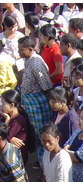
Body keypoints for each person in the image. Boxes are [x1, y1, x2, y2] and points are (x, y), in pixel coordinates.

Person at [18, 36, 54, 167]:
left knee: (43, 135)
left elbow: (47, 86)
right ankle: (41, 162)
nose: (19, 53)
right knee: (38, 135)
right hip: (31, 106)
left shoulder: (36, 63)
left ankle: (46, 167)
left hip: (38, 105)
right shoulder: (28, 60)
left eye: (21, 50)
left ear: (30, 49)